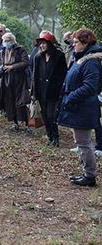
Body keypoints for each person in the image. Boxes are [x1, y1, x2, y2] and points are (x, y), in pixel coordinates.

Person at [57, 27, 102, 187]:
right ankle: (86, 172)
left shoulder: (91, 61)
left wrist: (70, 97)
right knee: (81, 141)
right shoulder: (83, 58)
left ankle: (89, 176)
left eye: (76, 42)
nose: (73, 44)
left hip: (83, 107)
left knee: (83, 142)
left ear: (85, 43)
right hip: (79, 106)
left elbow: (90, 86)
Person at [32, 32, 67, 146]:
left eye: (44, 43)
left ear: (50, 44)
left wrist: (60, 88)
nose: (41, 46)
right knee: (44, 116)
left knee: (51, 115)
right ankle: (49, 136)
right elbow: (35, 76)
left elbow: (63, 74)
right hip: (41, 91)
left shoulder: (59, 56)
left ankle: (55, 136)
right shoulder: (38, 57)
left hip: (54, 91)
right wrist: (33, 92)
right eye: (40, 44)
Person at [0, 32, 31, 132]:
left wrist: (12, 67)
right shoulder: (2, 51)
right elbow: (0, 63)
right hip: (6, 79)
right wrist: (0, 69)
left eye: (8, 40)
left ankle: (27, 123)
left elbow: (25, 63)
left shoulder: (20, 49)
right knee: (9, 101)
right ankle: (15, 123)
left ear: (13, 41)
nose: (6, 43)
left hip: (19, 79)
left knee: (21, 101)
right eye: (5, 41)